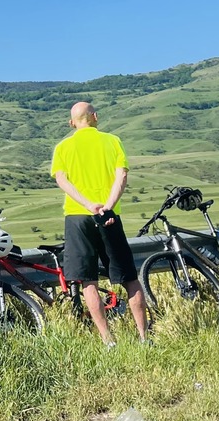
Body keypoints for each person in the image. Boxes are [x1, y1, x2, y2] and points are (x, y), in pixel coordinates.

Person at [49, 101, 148, 346]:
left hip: (77, 216)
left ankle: (108, 341)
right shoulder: (112, 141)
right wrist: (108, 206)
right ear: (95, 117)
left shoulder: (63, 147)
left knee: (88, 281)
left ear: (72, 123)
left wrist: (87, 204)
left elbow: (62, 180)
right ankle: (144, 337)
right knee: (129, 278)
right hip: (109, 216)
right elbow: (121, 176)